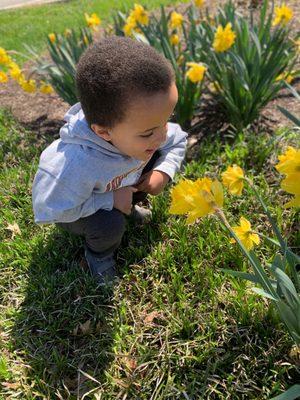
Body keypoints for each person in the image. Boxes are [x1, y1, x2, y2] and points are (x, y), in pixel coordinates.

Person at [32, 36, 187, 285]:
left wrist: (164, 172)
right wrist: (110, 199)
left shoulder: (148, 129)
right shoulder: (75, 164)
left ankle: (127, 204)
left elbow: (178, 141)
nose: (162, 135)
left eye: (166, 121)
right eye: (148, 132)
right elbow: (53, 209)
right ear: (104, 132)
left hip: (120, 181)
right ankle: (99, 256)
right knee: (110, 225)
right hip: (78, 210)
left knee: (154, 155)